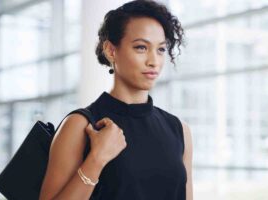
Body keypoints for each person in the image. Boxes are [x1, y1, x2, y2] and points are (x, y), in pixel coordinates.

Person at [39, 0, 193, 199]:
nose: (153, 61)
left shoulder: (179, 130)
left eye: (161, 49)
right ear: (111, 51)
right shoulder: (80, 125)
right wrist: (96, 159)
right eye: (141, 48)